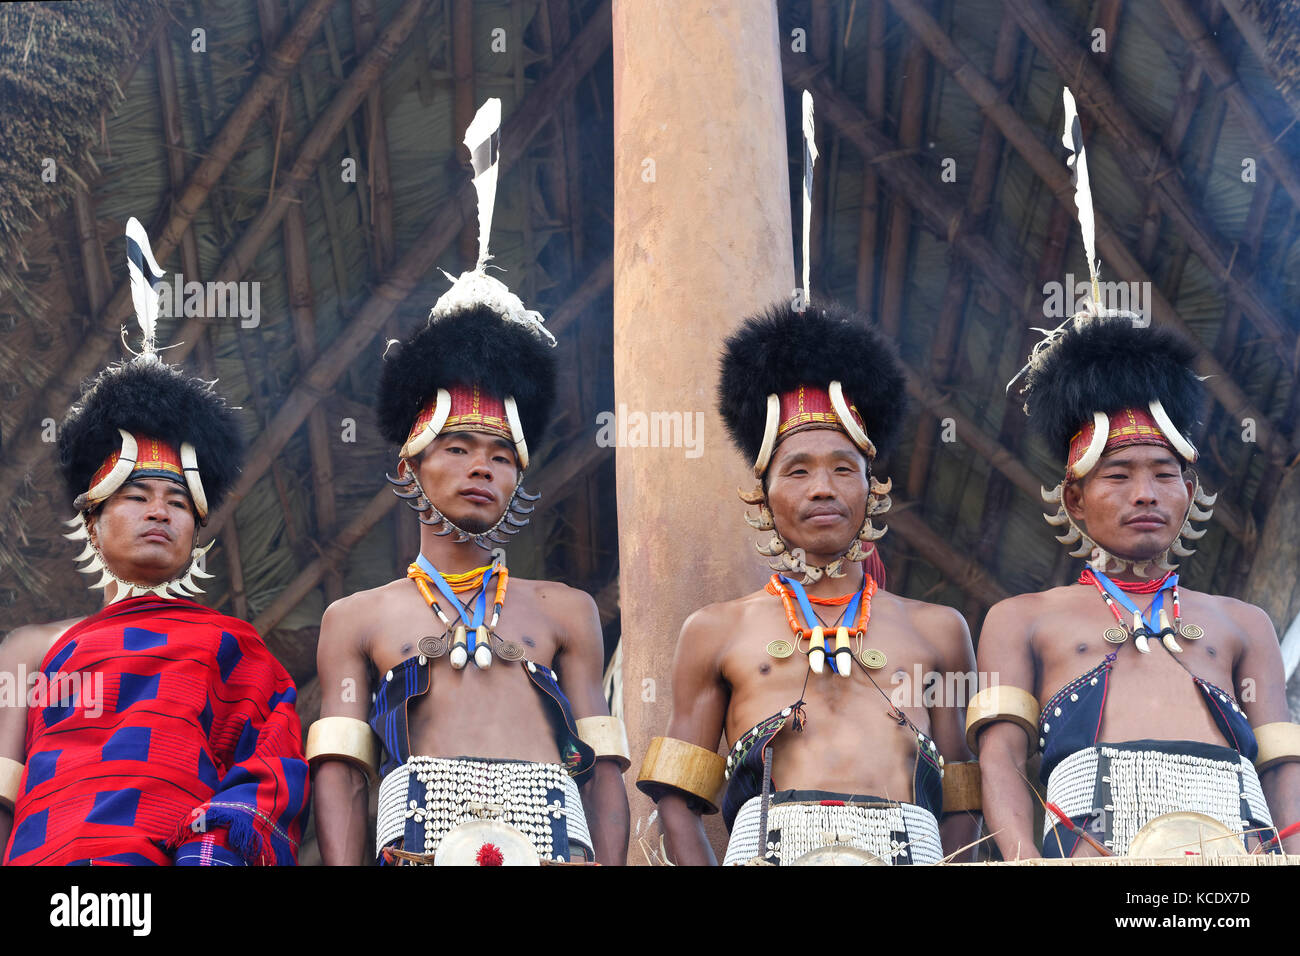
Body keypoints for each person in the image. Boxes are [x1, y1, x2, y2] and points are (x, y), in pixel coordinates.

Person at [308, 99, 629, 866]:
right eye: (456, 446)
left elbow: (606, 769)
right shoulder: (356, 619)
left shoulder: (567, 612)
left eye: (501, 452)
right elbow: (342, 773)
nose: (482, 465)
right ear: (410, 463)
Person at [0, 219, 309, 866]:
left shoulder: (233, 648)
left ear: (197, 533)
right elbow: (4, 792)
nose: (159, 513)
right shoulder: (32, 649)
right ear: (92, 520)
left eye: (177, 503)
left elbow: (268, 777)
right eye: (137, 496)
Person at [637, 300, 980, 865]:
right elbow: (676, 792)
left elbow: (963, 793)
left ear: (872, 488)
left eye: (843, 468)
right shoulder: (715, 630)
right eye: (798, 470)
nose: (822, 488)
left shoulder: (939, 630)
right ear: (762, 494)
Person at [972, 311, 1300, 858]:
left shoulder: (1244, 622)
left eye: (1164, 474)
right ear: (1074, 500)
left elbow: (1282, 759)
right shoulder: (1022, 617)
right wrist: (1024, 859)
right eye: (1119, 475)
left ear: (1189, 492)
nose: (1145, 493)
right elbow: (1000, 756)